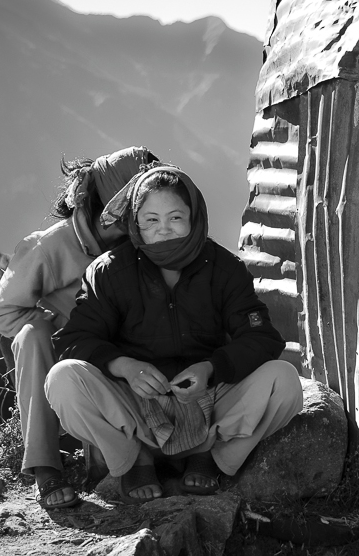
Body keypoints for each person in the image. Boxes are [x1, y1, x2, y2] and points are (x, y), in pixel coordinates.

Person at [44, 165, 303, 504]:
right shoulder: (110, 271)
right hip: (135, 408)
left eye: (175, 218)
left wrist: (210, 369)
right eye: (151, 220)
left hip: (206, 402)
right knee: (63, 379)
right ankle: (136, 458)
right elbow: (73, 339)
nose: (163, 230)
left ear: (194, 218)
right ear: (135, 225)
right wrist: (125, 367)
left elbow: (262, 338)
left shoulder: (224, 268)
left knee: (283, 380)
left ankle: (208, 453)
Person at [0, 146, 158, 509]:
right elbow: (2, 313)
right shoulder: (49, 247)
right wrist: (60, 329)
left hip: (124, 349)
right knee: (32, 339)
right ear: (108, 203)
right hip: (71, 350)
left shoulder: (142, 241)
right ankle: (45, 466)